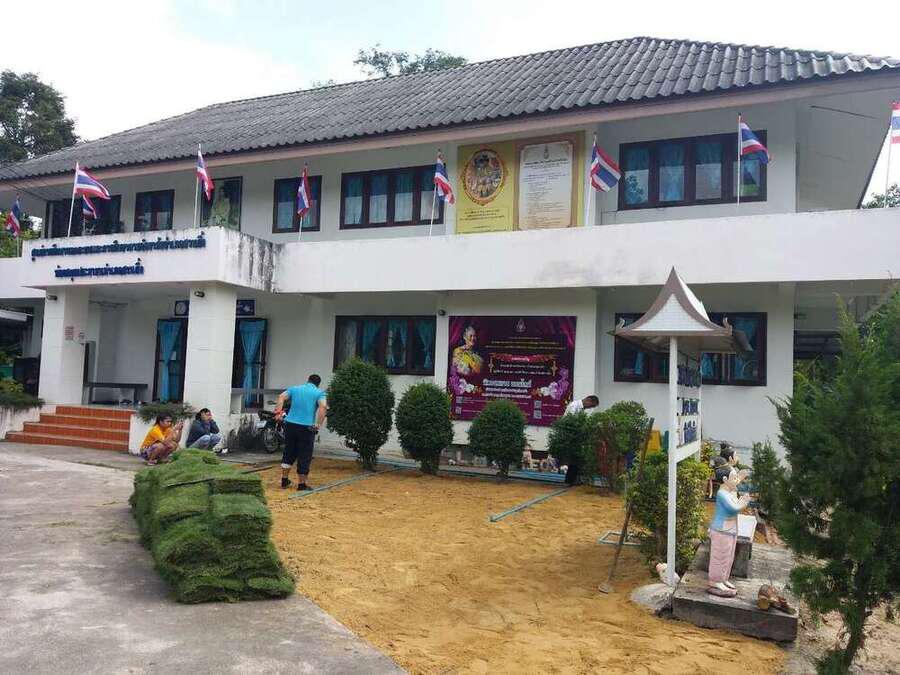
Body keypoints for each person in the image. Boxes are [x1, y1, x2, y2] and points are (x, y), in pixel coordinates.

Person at [274, 374, 327, 491]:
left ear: (308, 380)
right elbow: (323, 407)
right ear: (318, 384)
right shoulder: (319, 393)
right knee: (304, 454)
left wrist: (278, 413)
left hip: (290, 424)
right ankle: (302, 484)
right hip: (306, 427)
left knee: (289, 451)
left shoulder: (295, 389)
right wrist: (318, 424)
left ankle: (284, 480)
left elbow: (281, 396)